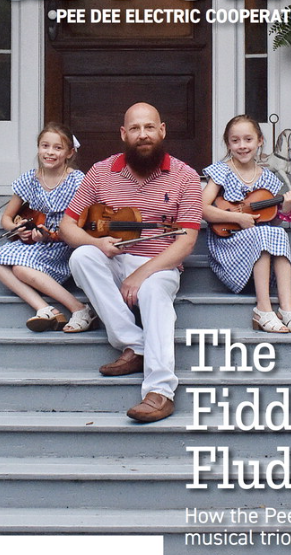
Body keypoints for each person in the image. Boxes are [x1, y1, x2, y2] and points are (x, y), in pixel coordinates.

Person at [59, 103, 202, 422]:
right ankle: (134, 344)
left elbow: (187, 240)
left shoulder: (185, 176)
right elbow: (67, 226)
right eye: (135, 129)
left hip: (160, 264)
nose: (143, 135)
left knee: (152, 292)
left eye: (149, 127)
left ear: (162, 130)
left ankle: (160, 391)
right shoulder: (101, 171)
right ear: (123, 134)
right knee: (82, 256)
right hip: (115, 257)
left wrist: (140, 274)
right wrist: (95, 242)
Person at [0, 122, 97, 333]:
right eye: (45, 146)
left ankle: (81, 308)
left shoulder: (76, 181)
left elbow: (82, 223)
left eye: (57, 148)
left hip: (63, 243)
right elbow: (6, 218)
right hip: (35, 244)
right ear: (38, 148)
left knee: (19, 268)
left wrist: (51, 236)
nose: (50, 152)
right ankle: (46, 310)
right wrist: (17, 228)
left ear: (69, 153)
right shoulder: (29, 179)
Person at [202, 115, 291, 334]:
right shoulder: (221, 171)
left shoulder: (268, 178)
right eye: (235, 141)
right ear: (228, 143)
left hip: (256, 246)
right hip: (227, 243)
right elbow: (202, 209)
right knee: (262, 236)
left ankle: (286, 309)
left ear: (259, 141)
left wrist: (286, 208)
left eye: (248, 140)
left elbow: (270, 220)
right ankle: (263, 308)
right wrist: (237, 218)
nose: (242, 146)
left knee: (277, 234)